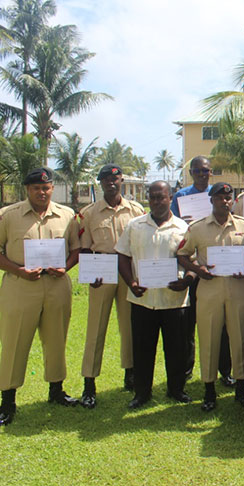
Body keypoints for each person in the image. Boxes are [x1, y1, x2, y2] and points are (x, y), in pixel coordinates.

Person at [0, 167, 81, 425]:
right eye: (36, 188)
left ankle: (56, 391)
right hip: (20, 286)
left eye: (46, 188)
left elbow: (76, 250)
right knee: (14, 342)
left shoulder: (66, 215)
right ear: (27, 190)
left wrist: (66, 267)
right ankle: (8, 401)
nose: (42, 192)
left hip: (56, 285)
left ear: (52, 189)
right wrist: (19, 270)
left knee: (57, 338)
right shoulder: (8, 216)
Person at [176, 182, 244, 411]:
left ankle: (241, 388)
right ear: (211, 200)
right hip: (209, 288)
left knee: (240, 338)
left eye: (228, 197)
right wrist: (199, 271)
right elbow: (182, 253)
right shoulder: (197, 228)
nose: (225, 201)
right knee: (209, 337)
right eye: (220, 197)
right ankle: (209, 390)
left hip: (238, 287)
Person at [115, 181, 192, 408]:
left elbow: (193, 259)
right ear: (149, 199)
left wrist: (186, 280)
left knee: (177, 349)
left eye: (162, 197)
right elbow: (122, 255)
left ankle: (176, 389)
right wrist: (130, 282)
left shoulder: (184, 228)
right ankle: (142, 393)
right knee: (142, 348)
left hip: (174, 299)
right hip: (143, 298)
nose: (158, 201)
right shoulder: (135, 225)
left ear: (171, 198)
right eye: (154, 197)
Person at [77, 164, 146, 408]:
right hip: (101, 271)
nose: (111, 182)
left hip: (128, 271)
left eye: (114, 178)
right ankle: (89, 383)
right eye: (106, 179)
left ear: (121, 180)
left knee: (129, 326)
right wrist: (89, 273)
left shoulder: (136, 210)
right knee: (96, 328)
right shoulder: (89, 213)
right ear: (100, 182)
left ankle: (131, 374)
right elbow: (85, 247)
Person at [170, 155, 233, 387]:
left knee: (223, 324)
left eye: (205, 171)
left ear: (210, 172)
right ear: (191, 173)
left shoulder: (219, 195)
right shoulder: (181, 196)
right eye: (197, 171)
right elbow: (173, 224)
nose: (201, 174)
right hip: (192, 260)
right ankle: (187, 370)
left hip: (217, 263)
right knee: (190, 323)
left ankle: (224, 370)